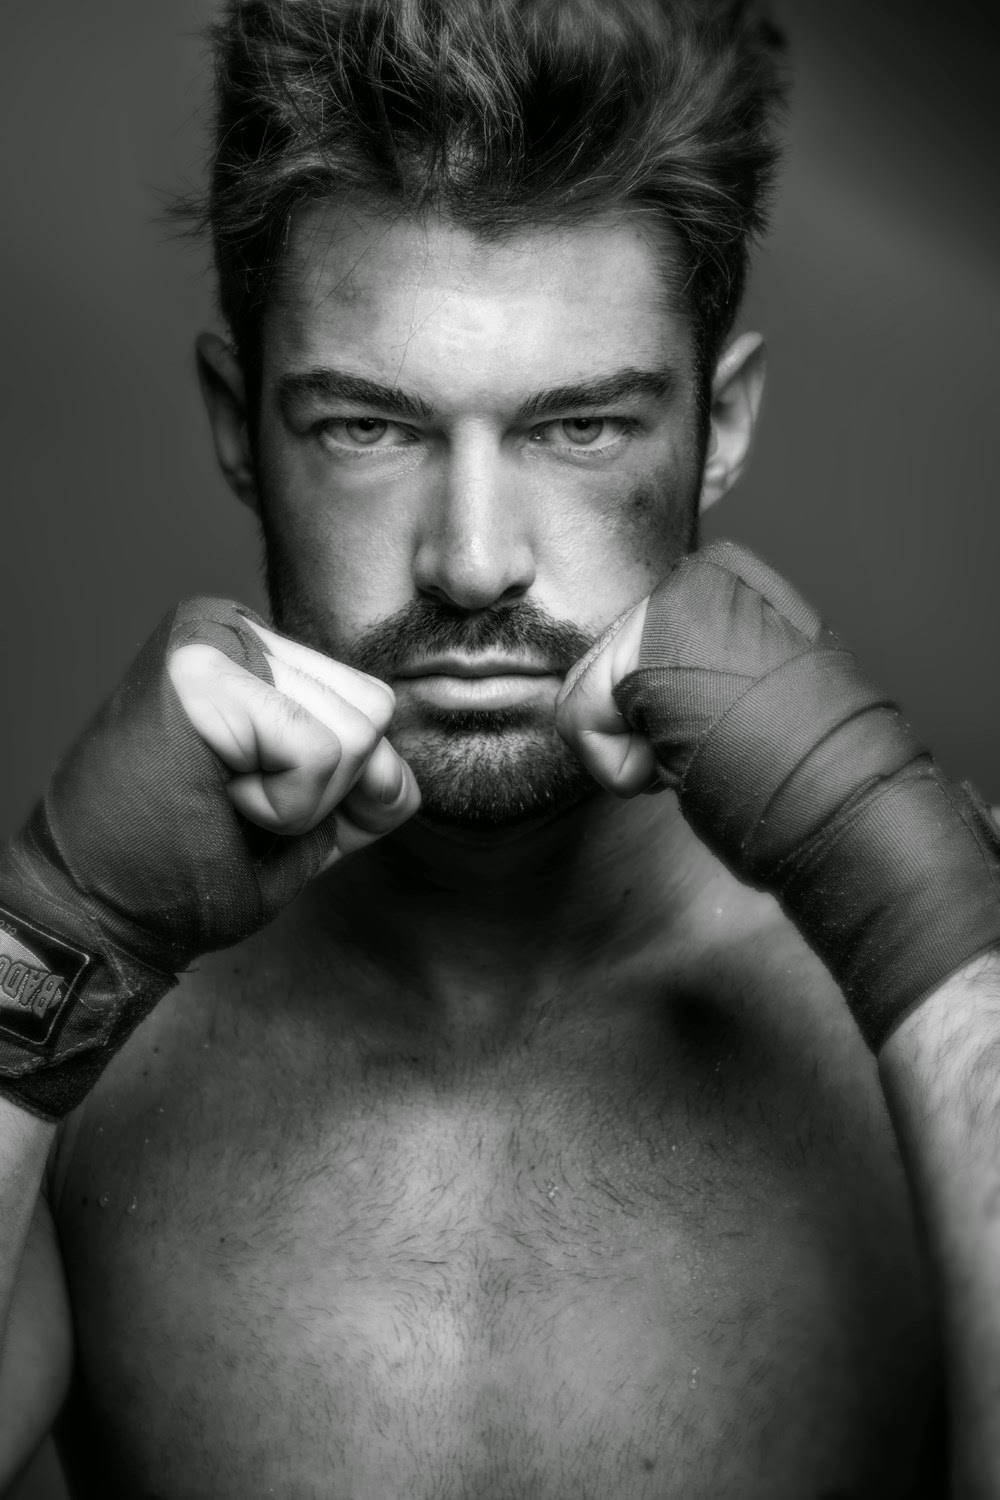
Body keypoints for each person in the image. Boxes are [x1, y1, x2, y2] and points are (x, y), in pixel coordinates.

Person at [1, 1, 999, 1495]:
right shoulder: (85, 1052)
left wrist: (932, 930)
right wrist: (40, 944)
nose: (473, 563)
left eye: (580, 428)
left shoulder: (955, 1003)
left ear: (721, 424)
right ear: (238, 424)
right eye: (369, 429)